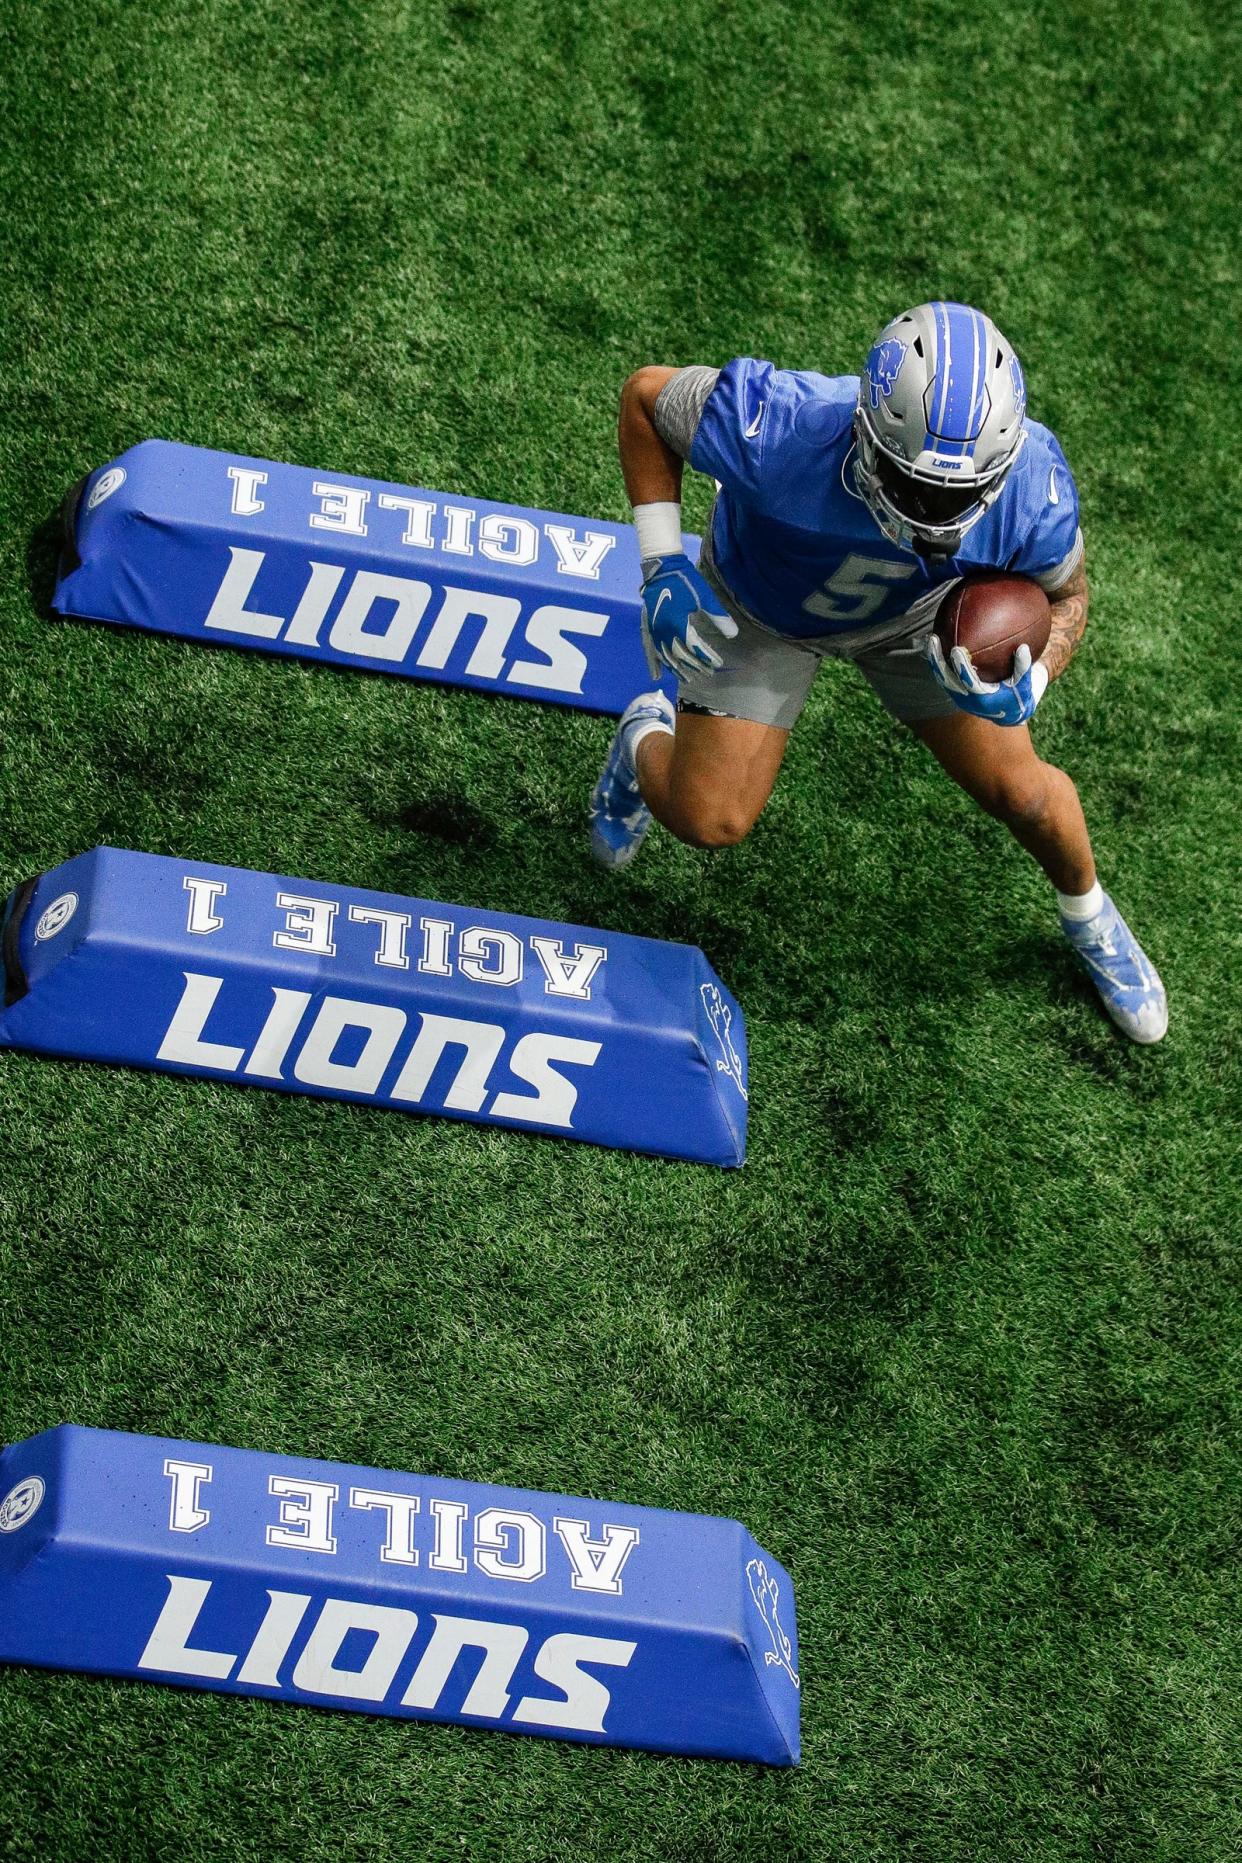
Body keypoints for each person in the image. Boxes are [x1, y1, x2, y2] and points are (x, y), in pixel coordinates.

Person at [589, 302, 1166, 1043]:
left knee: (1023, 792)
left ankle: (1089, 912)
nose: (932, 518)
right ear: (865, 431)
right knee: (711, 818)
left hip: (918, 624)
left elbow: (1070, 598)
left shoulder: (1031, 483)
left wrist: (1039, 675)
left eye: (955, 496)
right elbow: (646, 399)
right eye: (918, 487)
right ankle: (644, 737)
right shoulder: (782, 425)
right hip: (761, 609)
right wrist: (662, 557)